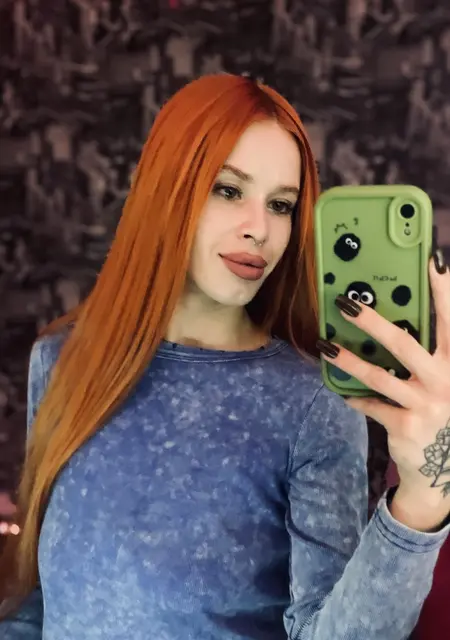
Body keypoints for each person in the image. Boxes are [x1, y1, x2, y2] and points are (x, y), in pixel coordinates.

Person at [1, 73, 450, 640]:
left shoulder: (312, 404)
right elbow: (42, 602)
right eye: (229, 190)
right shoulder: (60, 361)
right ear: (166, 188)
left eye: (281, 205)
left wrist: (422, 499)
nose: (259, 229)